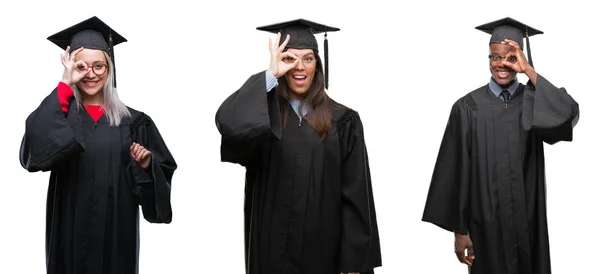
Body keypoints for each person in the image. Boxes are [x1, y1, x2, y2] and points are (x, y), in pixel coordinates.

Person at [215, 18, 382, 274]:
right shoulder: (263, 116)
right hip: (271, 248)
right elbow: (228, 122)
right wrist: (269, 77)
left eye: (307, 58)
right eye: (289, 59)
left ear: (318, 64)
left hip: (325, 251)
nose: (299, 67)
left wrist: (353, 261)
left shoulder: (343, 120)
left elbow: (356, 194)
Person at [19, 16, 177, 274]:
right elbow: (32, 154)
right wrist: (64, 84)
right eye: (81, 67)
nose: (90, 74)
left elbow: (162, 177)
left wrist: (148, 165)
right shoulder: (60, 114)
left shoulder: (134, 122)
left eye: (99, 66)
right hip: (69, 233)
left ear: (110, 68)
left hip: (117, 235)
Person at [422, 17, 579, 274]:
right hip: (485, 226)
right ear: (488, 59)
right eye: (495, 57)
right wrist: (460, 231)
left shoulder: (533, 102)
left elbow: (567, 114)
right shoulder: (468, 107)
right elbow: (456, 170)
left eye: (510, 57)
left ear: (520, 59)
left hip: (528, 222)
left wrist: (529, 71)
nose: (502, 64)